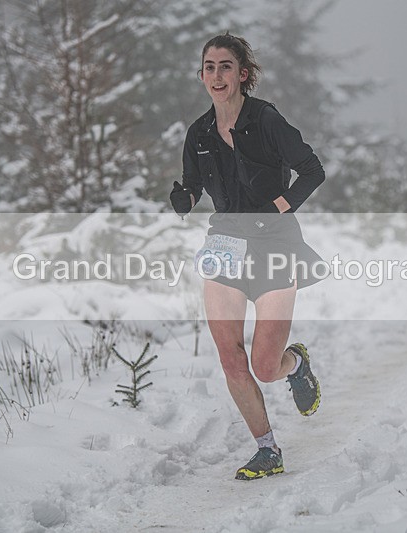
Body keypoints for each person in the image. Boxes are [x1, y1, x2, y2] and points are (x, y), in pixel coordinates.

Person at [169, 32, 326, 480]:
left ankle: (295, 364)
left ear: (243, 74)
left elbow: (312, 169)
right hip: (224, 242)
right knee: (230, 357)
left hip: (276, 244)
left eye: (225, 66)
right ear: (202, 76)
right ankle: (267, 449)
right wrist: (185, 198)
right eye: (208, 67)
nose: (216, 75)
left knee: (264, 364)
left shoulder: (267, 120)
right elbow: (193, 184)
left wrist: (280, 205)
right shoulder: (198, 132)